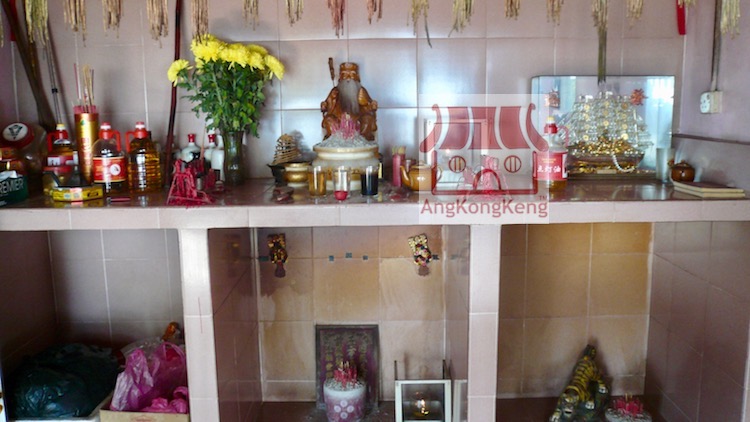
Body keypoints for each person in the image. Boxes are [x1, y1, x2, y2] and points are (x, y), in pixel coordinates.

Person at [321, 63, 378, 141]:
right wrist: (328, 103)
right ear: (340, 76)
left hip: (357, 121)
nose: (348, 78)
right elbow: (326, 107)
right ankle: (335, 141)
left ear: (357, 76)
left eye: (352, 75)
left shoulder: (361, 90)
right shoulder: (335, 91)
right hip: (339, 121)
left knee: (368, 119)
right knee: (329, 119)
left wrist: (367, 104)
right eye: (345, 75)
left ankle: (361, 141)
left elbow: (371, 107)